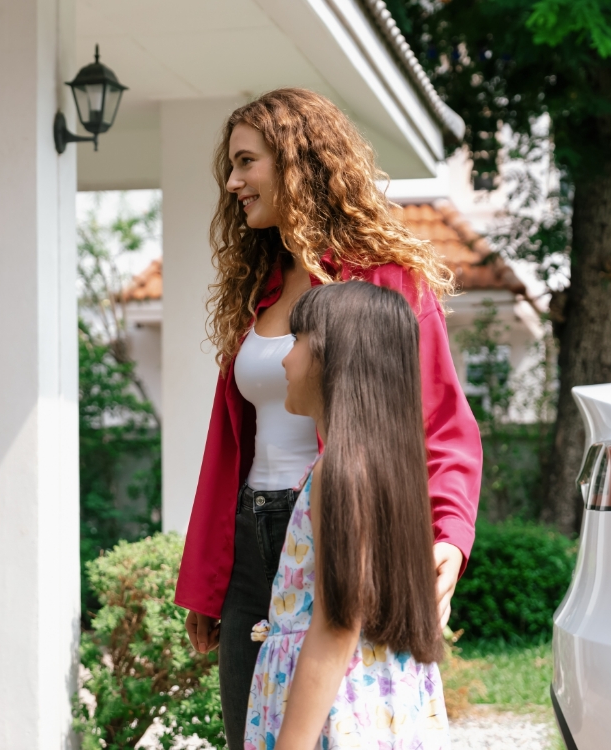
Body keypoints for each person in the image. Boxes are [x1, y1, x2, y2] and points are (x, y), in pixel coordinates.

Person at [172, 87, 482, 748]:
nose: (232, 183)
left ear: (295, 163)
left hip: (332, 527)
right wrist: (209, 580)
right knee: (250, 731)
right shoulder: (258, 288)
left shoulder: (388, 283)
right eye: (231, 166)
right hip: (252, 542)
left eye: (246, 162)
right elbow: (227, 449)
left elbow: (444, 425)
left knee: (336, 729)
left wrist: (450, 534)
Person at [246, 280, 449, 750]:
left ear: (335, 358)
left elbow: (337, 625)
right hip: (376, 705)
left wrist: (291, 745)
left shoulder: (338, 473)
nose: (284, 359)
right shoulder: (387, 469)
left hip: (333, 712)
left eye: (296, 341)